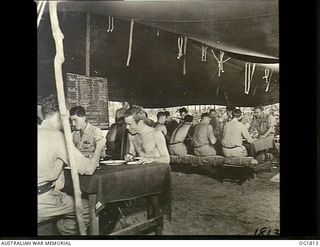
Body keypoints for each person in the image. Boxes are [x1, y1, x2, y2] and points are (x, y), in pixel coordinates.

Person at [38, 95, 105, 235]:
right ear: (59, 115)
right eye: (68, 118)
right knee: (88, 208)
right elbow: (88, 168)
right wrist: (99, 146)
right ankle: (63, 232)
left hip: (43, 191)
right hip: (42, 199)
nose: (69, 122)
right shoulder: (58, 136)